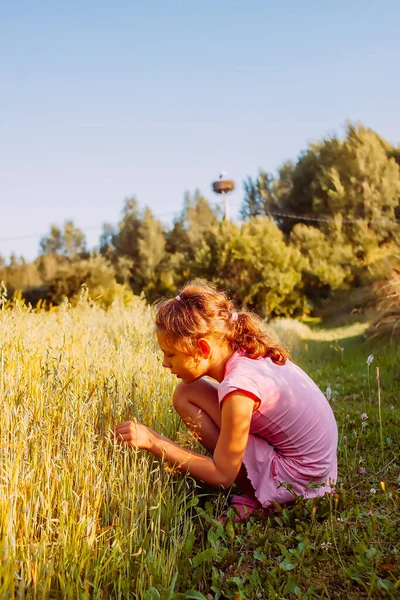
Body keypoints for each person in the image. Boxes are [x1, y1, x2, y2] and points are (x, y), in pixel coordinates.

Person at [114, 280, 338, 519]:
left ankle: (258, 497)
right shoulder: (245, 352)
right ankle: (255, 485)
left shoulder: (238, 388)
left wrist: (152, 442)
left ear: (203, 348)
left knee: (219, 454)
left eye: (171, 354)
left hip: (302, 480)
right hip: (320, 468)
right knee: (186, 394)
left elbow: (222, 476)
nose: (165, 363)